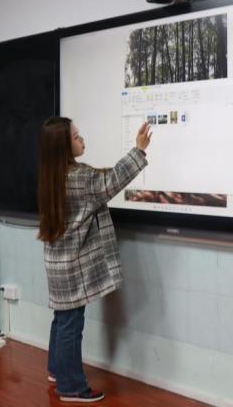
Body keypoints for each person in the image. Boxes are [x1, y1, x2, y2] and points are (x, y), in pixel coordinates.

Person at [37, 117, 151, 403]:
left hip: (58, 263)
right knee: (71, 324)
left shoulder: (51, 176)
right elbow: (113, 180)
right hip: (73, 266)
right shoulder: (80, 178)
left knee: (62, 319)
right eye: (76, 137)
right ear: (64, 147)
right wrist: (139, 149)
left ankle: (57, 370)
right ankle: (71, 387)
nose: (82, 139)